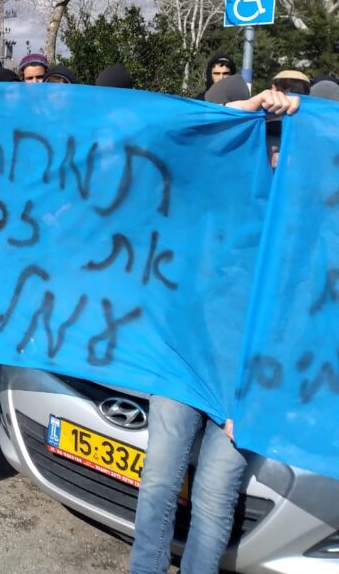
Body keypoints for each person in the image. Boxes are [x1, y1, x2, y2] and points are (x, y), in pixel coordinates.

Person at [129, 86, 300, 574]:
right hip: (184, 366)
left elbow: (293, 325)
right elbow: (178, 140)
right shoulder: (216, 197)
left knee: (211, 501)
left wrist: (252, 396)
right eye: (262, 143)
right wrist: (242, 111)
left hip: (245, 389)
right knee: (158, 484)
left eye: (280, 145)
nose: (270, 154)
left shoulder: (299, 225)